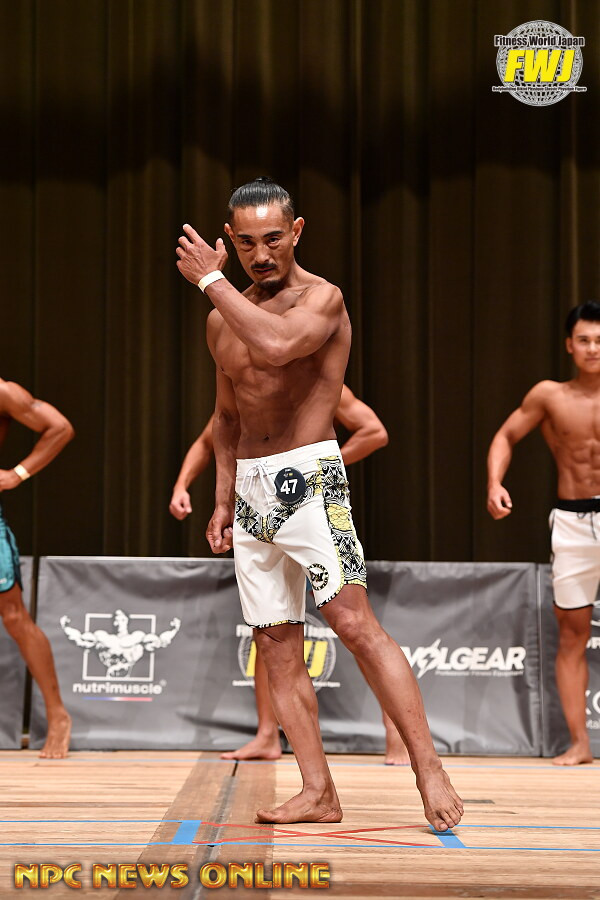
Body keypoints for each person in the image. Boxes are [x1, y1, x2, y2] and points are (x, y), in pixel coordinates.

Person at [176, 176, 462, 829]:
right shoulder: (221, 319)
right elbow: (226, 417)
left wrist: (210, 281)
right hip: (250, 488)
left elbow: (278, 346)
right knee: (275, 642)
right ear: (230, 241)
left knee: (354, 623)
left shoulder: (323, 299)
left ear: (297, 231)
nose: (261, 254)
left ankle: (428, 767)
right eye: (246, 243)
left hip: (310, 478)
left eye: (274, 238)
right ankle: (318, 791)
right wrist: (221, 498)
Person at [170, 387, 410, 765]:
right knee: (268, 630)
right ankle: (267, 735)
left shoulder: (311, 379)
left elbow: (374, 431)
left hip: (312, 506)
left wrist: (313, 471)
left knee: (353, 625)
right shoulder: (246, 385)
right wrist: (182, 484)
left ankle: (395, 730)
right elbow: (209, 439)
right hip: (259, 513)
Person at [487, 300, 600, 767]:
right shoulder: (550, 396)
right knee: (572, 634)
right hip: (573, 522)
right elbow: (505, 436)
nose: (593, 348)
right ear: (569, 345)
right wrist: (494, 482)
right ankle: (579, 744)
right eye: (584, 340)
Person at [0, 378, 74, 758]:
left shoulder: (2, 392)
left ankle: (58, 715)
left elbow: (59, 427)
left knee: (14, 616)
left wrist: (18, 473)